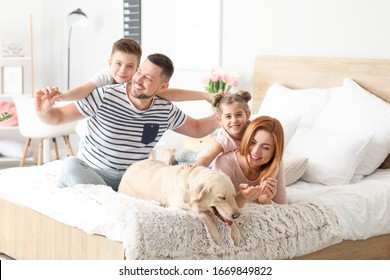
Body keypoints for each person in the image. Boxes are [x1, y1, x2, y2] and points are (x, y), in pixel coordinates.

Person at [35, 53, 219, 191]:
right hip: (96, 173)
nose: (138, 79)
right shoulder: (105, 95)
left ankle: (115, 198)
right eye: (140, 72)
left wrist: (225, 116)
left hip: (134, 178)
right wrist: (43, 111)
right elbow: (57, 117)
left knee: (178, 177)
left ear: (162, 87)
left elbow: (197, 128)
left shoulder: (165, 109)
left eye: (148, 78)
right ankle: (112, 199)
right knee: (70, 166)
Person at [55, 38, 211, 102]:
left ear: (137, 68)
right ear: (109, 63)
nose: (122, 71)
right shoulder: (105, 77)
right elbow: (84, 89)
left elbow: (171, 94)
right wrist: (61, 97)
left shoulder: (138, 84)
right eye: (118, 64)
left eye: (130, 66)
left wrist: (207, 95)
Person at [213, 115, 287, 207]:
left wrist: (265, 201)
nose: (256, 151)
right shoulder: (225, 162)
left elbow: (283, 207)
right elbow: (216, 205)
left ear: (273, 153)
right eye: (252, 142)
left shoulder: (275, 163)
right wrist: (242, 196)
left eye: (265, 148)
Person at [178, 90, 252, 167]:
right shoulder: (223, 139)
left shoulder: (253, 128)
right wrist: (196, 165)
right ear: (219, 120)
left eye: (239, 115)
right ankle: (173, 154)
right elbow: (207, 158)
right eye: (228, 116)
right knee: (194, 158)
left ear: (247, 115)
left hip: (226, 162)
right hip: (209, 157)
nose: (234, 120)